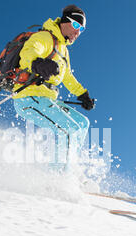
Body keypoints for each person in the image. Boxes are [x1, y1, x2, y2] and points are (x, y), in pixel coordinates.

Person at [12, 5, 95, 172]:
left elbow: (67, 77)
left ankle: (68, 168)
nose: (78, 33)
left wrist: (82, 94)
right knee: (69, 130)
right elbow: (27, 53)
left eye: (82, 29)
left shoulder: (63, 50)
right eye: (76, 26)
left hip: (45, 100)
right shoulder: (45, 37)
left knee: (82, 123)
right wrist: (37, 64)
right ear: (65, 21)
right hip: (28, 98)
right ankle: (57, 176)